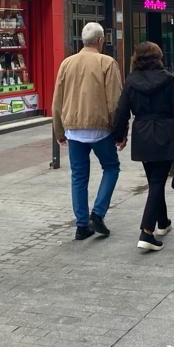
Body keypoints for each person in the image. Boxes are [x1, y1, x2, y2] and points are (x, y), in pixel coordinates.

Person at [112, 41, 174, 253]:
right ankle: (147, 232)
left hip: (142, 134)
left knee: (154, 181)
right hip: (165, 133)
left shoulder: (131, 81)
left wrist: (119, 136)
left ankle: (163, 222)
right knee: (158, 182)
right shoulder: (168, 80)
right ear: (158, 58)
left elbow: (121, 111)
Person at [52, 22, 123, 241]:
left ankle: (82, 225)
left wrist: (59, 130)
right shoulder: (107, 62)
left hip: (73, 129)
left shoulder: (67, 63)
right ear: (100, 41)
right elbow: (115, 102)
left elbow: (57, 100)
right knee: (111, 167)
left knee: (78, 176)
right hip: (100, 128)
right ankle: (98, 213)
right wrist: (120, 131)